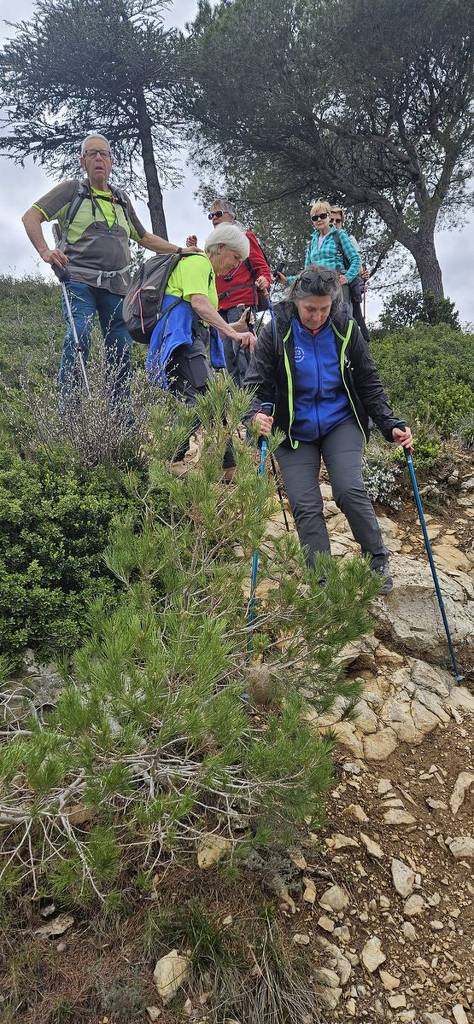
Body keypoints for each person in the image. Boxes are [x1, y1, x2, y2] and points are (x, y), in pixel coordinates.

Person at [244, 266, 413, 593]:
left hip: (340, 422)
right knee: (306, 505)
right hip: (292, 430)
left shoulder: (345, 327)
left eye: (323, 308)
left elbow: (368, 382)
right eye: (310, 309)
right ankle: (323, 581)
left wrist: (389, 424)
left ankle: (377, 560)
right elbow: (254, 386)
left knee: (349, 490)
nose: (317, 316)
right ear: (296, 300)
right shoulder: (277, 329)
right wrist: (253, 416)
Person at [22, 132, 198, 403]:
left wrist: (180, 251)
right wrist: (46, 251)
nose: (99, 158)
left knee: (121, 349)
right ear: (83, 161)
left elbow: (144, 238)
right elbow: (31, 216)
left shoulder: (122, 200)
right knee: (80, 335)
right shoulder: (71, 191)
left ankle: (120, 414)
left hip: (118, 287)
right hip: (79, 280)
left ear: (111, 161)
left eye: (104, 153)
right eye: (92, 153)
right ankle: (69, 407)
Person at [146, 223, 255, 471]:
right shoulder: (198, 262)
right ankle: (171, 458)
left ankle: (228, 467)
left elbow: (208, 317)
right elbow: (198, 305)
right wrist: (232, 333)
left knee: (211, 400)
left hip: (191, 340)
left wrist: (238, 325)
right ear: (219, 248)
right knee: (204, 401)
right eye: (235, 257)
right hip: (182, 340)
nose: (237, 265)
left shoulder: (208, 275)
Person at [186, 199, 271, 386]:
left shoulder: (244, 237)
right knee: (228, 357)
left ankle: (251, 399)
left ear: (231, 215)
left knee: (242, 352)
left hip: (241, 301)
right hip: (219, 305)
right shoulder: (218, 247)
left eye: (218, 214)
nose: (214, 219)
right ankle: (239, 402)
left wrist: (265, 279)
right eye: (211, 215)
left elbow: (260, 265)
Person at [277, 200, 361, 312]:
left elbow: (355, 259)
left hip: (336, 288)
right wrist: (287, 280)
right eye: (315, 218)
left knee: (341, 323)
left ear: (329, 216)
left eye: (322, 215)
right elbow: (306, 273)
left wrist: (347, 277)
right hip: (317, 290)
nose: (319, 219)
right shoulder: (312, 241)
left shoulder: (339, 235)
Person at [330, 206, 370, 343]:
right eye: (332, 220)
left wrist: (360, 274)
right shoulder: (322, 241)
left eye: (338, 220)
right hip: (330, 286)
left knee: (348, 319)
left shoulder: (349, 239)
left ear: (342, 222)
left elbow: (358, 263)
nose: (335, 223)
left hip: (347, 284)